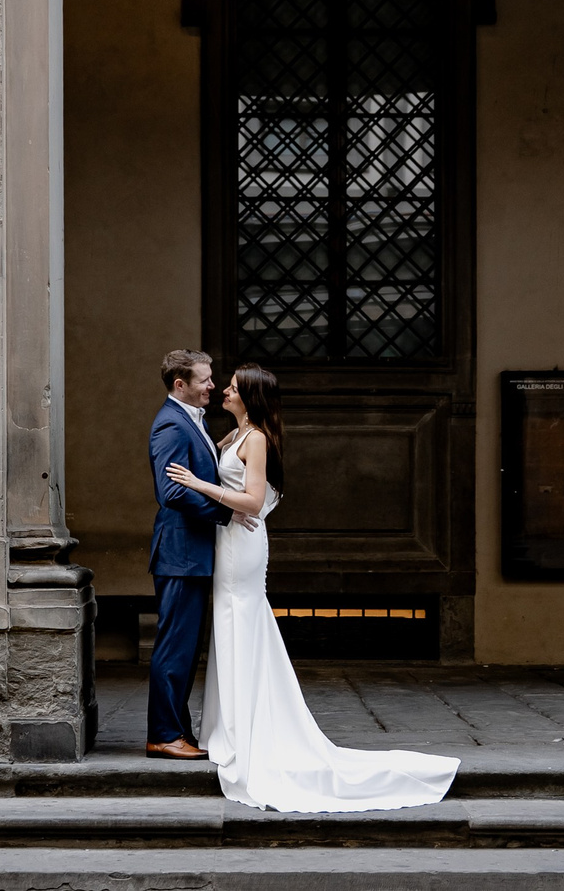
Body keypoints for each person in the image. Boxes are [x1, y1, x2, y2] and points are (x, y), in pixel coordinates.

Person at [163, 363, 460, 812]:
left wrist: (202, 484)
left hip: (241, 544)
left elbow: (255, 501)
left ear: (251, 397)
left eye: (233, 388)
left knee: (240, 619)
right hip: (227, 541)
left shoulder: (257, 437)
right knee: (228, 626)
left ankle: (247, 731)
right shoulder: (234, 434)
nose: (224, 390)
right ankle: (230, 728)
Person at [146, 348, 232, 759]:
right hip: (180, 554)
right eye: (204, 380)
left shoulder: (190, 422)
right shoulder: (171, 426)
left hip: (190, 554)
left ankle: (176, 731)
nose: (212, 386)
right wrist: (225, 511)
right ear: (180, 384)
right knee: (175, 647)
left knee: (184, 646)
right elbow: (173, 491)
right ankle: (164, 734)